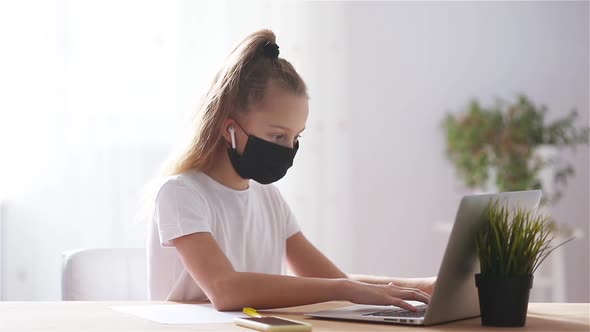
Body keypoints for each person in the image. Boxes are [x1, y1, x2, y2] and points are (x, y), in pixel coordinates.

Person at [146, 29, 436, 311]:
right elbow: (224, 289)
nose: (288, 149)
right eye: (277, 136)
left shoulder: (268, 198)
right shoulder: (180, 193)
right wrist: (344, 289)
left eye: (296, 137)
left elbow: (334, 280)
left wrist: (423, 286)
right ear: (229, 128)